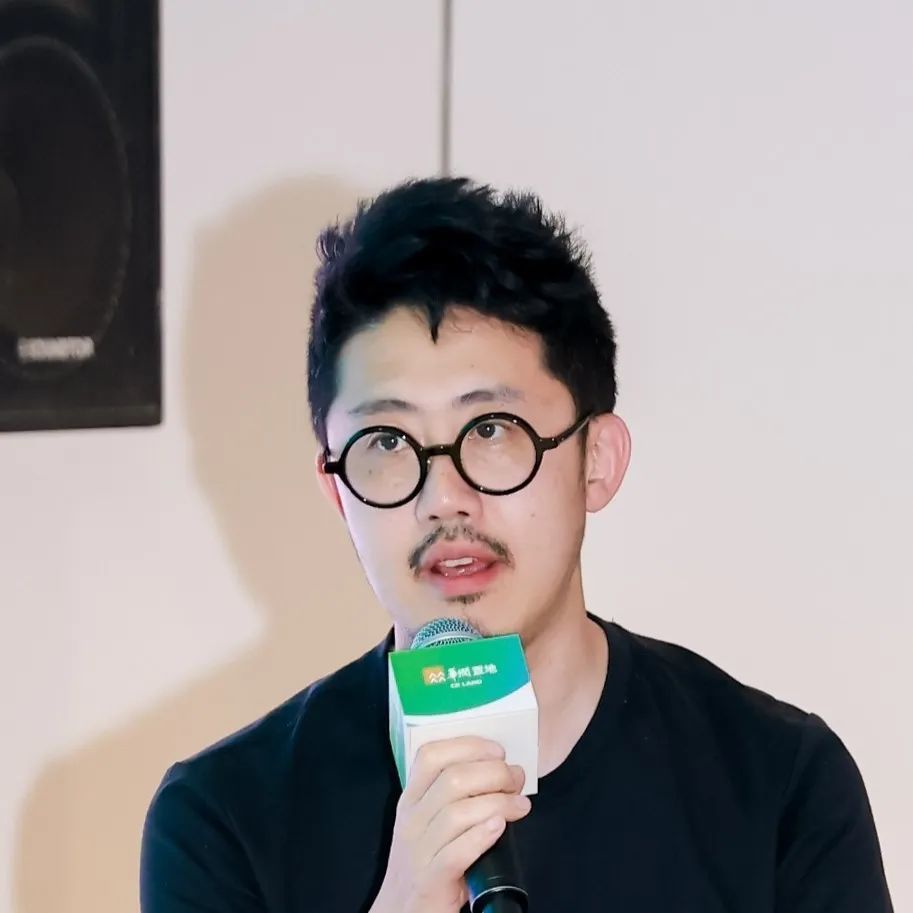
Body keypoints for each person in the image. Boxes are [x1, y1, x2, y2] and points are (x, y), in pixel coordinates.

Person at [141, 177, 893, 912]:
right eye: (387, 442)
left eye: (491, 430)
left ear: (597, 460)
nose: (443, 498)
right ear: (337, 490)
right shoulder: (221, 820)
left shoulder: (778, 782)